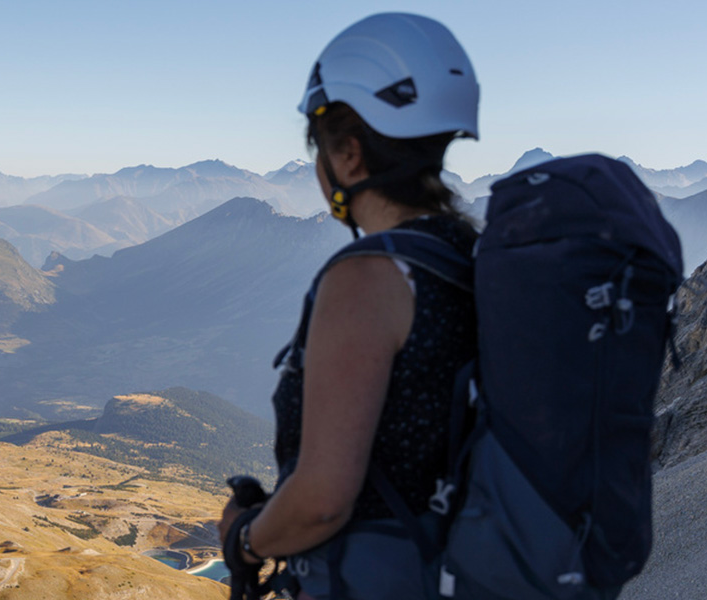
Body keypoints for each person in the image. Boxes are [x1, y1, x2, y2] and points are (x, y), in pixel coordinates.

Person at [218, 13, 482, 599]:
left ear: (351, 156)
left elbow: (322, 502)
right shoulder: (473, 254)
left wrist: (244, 539)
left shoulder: (367, 280)